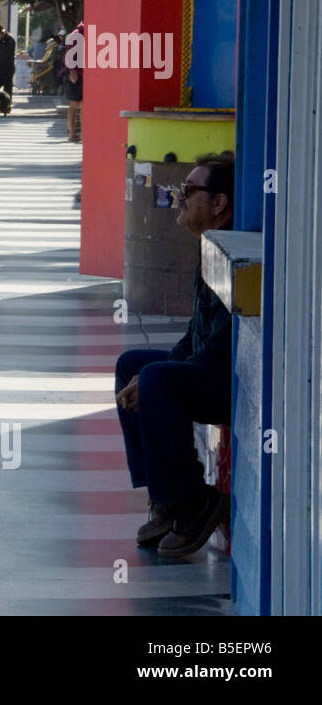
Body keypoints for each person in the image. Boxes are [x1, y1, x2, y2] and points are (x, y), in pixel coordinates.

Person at [114, 151, 234, 557]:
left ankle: (195, 501)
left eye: (190, 190)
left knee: (155, 379)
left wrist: (165, 373)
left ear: (218, 204)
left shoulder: (232, 255)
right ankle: (165, 498)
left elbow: (221, 348)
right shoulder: (208, 248)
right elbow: (193, 336)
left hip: (235, 383)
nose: (180, 197)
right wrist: (157, 371)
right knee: (132, 365)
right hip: (209, 369)